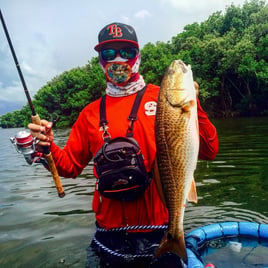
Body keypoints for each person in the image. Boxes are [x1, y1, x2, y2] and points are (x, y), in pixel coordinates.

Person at [28, 22, 219, 267]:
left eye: (126, 52)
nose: (118, 59)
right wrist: (48, 148)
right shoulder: (89, 114)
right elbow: (70, 167)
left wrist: (194, 106)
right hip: (110, 234)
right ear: (100, 60)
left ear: (137, 56)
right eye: (109, 53)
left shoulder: (163, 98)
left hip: (160, 228)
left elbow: (210, 151)